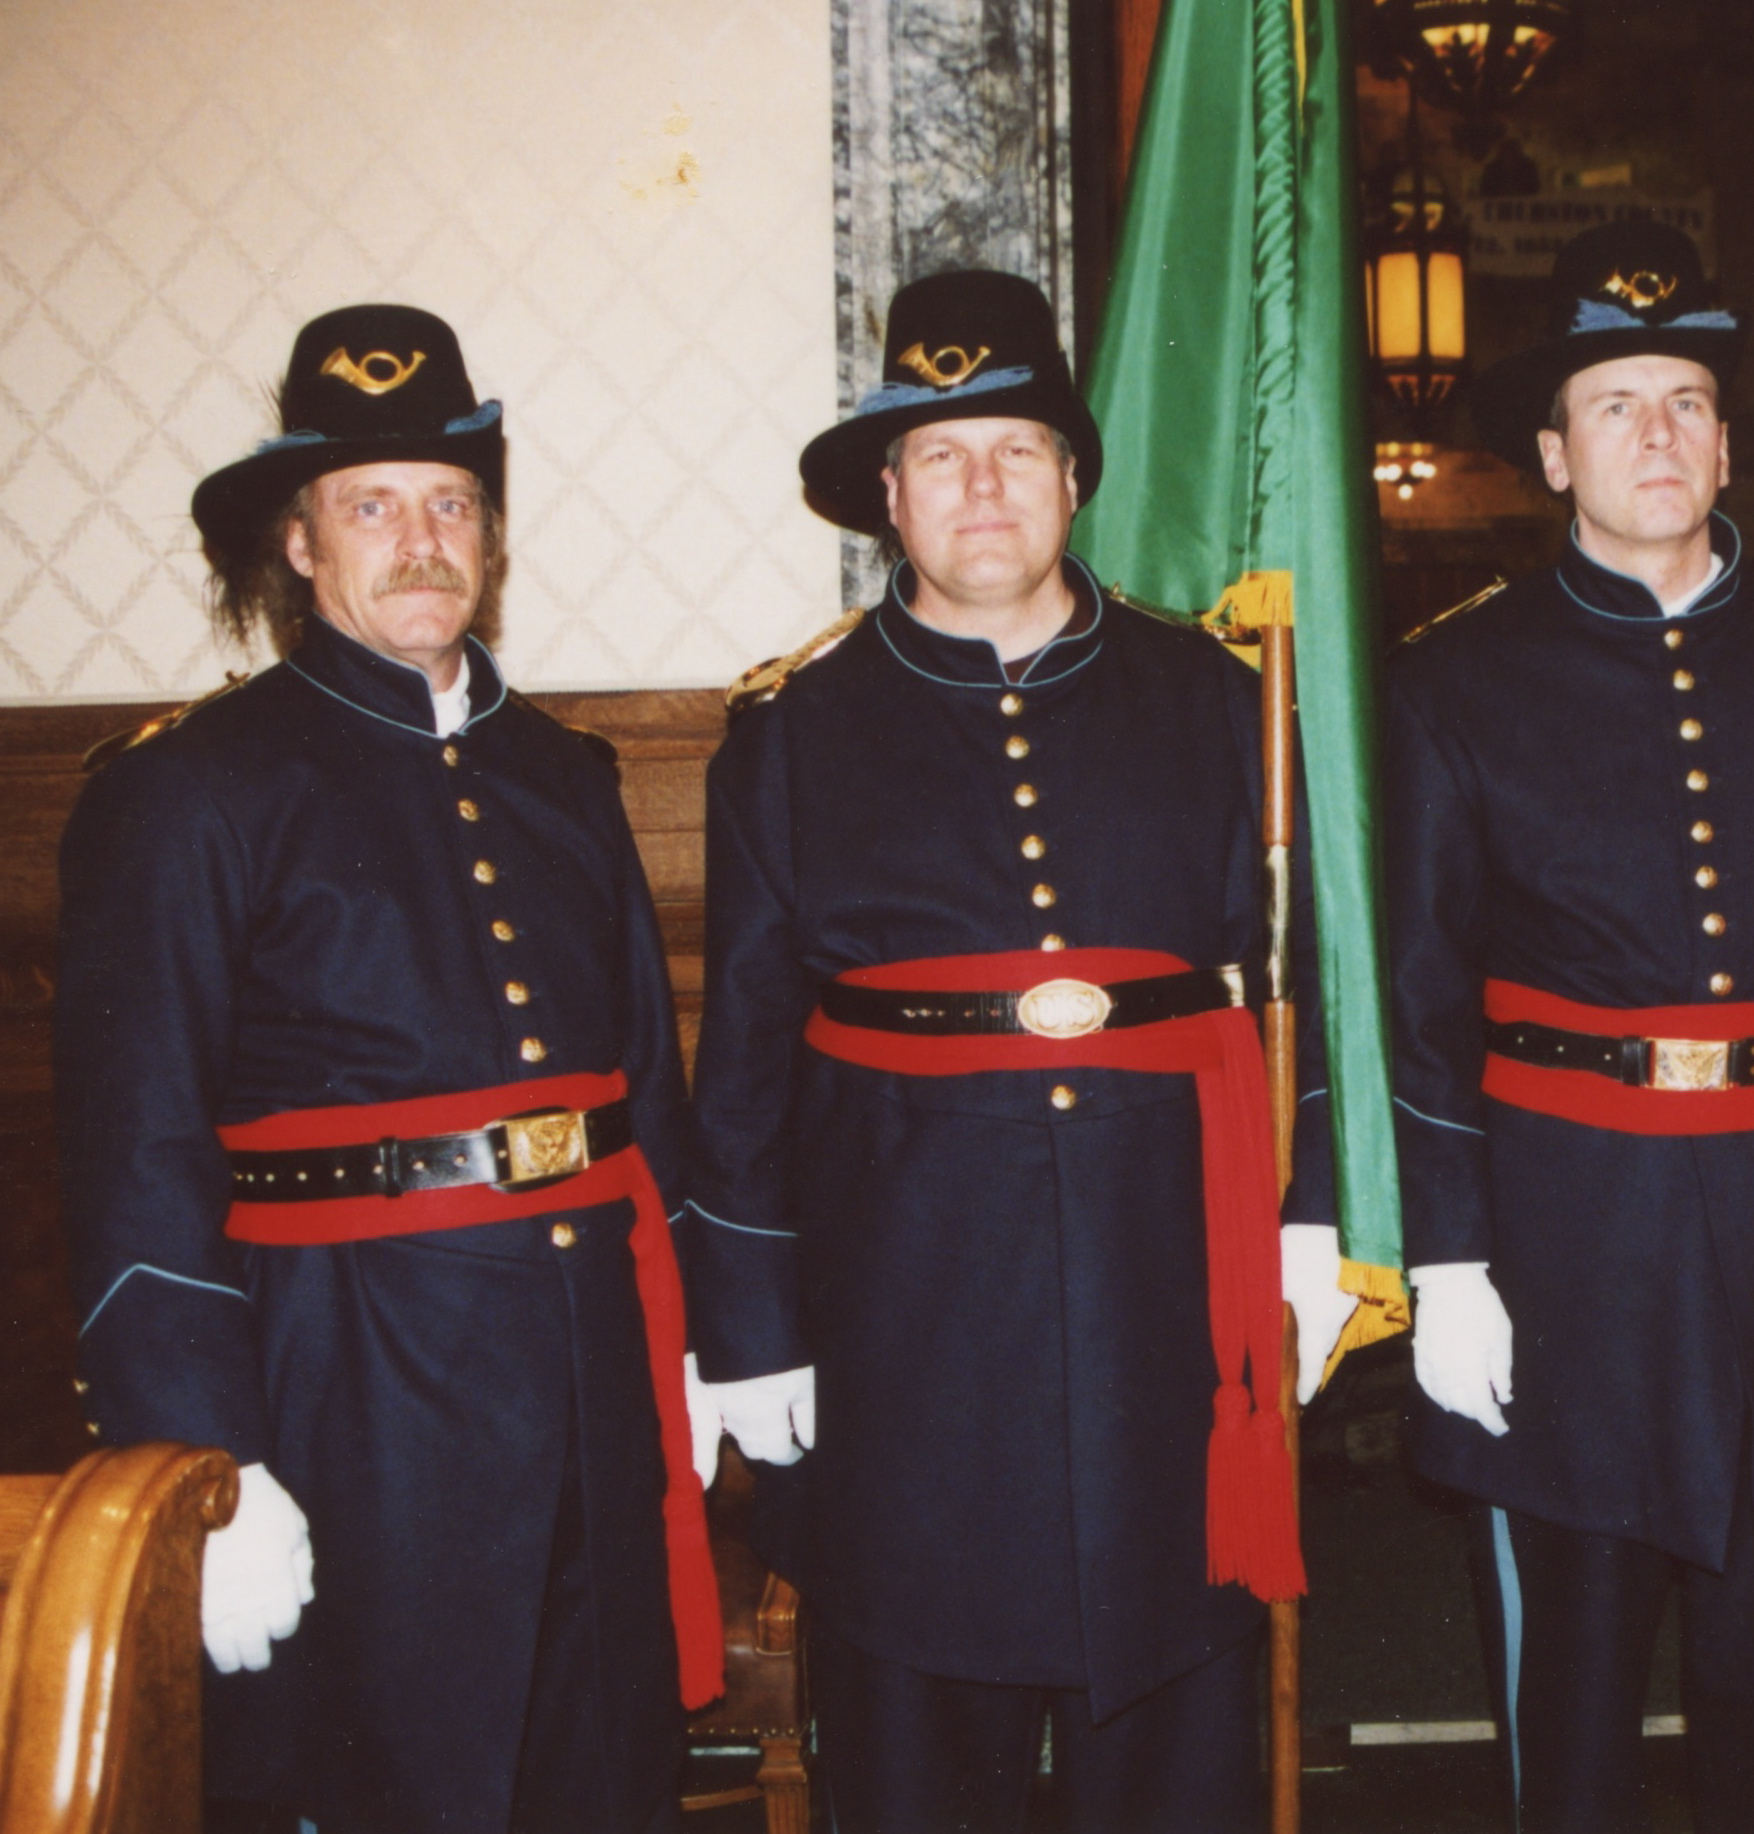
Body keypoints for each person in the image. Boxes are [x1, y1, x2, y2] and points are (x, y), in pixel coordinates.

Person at [681, 268, 1357, 1832]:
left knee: (1177, 1712)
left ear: (1072, 476)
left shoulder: (1222, 701)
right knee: (921, 1745)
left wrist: (1317, 1214)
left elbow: (1306, 976)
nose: (982, 485)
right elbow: (748, 1067)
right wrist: (752, 1319)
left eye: (1016, 448)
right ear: (888, 498)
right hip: (906, 1319)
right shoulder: (791, 731)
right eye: (939, 454)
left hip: (1165, 1304)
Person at [56, 304, 722, 1832]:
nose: (420, 539)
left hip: (589, 1363)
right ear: (299, 543)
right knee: (392, 1780)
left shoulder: (566, 773)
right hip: (349, 1381)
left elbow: (645, 1098)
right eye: (372, 505)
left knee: (595, 1771)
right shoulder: (187, 793)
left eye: (451, 503)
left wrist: (683, 1342)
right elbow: (135, 1155)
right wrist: (204, 1466)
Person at [1385, 221, 1754, 1833]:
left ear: (1729, 437)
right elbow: (1419, 994)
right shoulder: (1454, 678)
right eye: (1616, 402)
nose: (1658, 434)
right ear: (1549, 448)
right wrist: (1446, 1255)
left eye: (1690, 398)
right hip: (1566, 1231)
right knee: (1571, 1685)